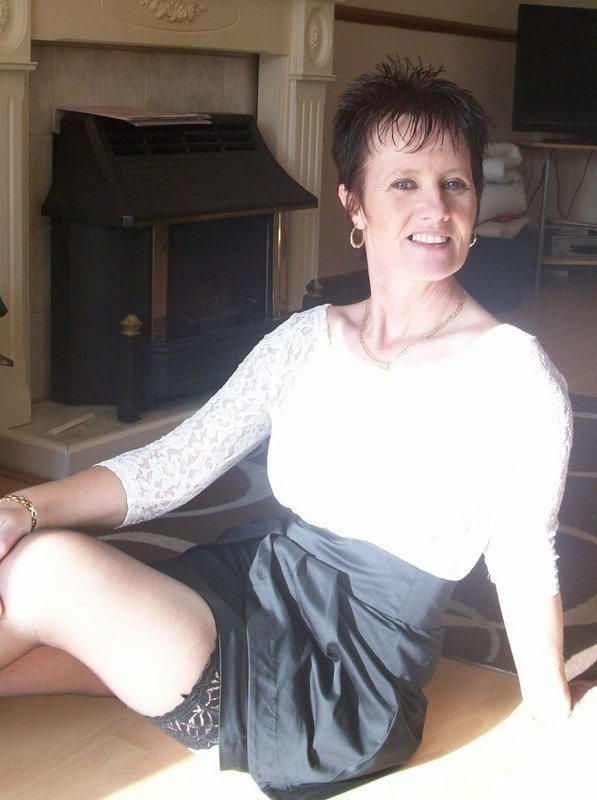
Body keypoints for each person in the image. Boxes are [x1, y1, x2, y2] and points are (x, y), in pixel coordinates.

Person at [0, 57, 590, 799]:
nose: (435, 209)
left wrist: (552, 716)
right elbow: (174, 464)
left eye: (455, 183)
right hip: (258, 579)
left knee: (47, 572)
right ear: (354, 205)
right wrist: (19, 507)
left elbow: (524, 560)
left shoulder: (513, 372)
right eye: (403, 184)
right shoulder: (306, 340)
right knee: (31, 587)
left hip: (344, 670)